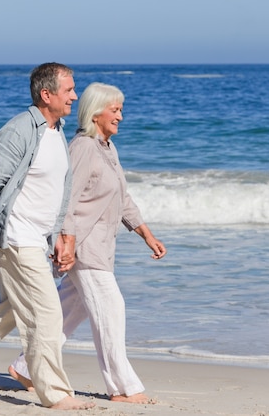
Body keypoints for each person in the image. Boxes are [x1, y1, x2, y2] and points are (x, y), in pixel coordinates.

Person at [0, 62, 95, 410]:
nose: (74, 95)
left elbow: (54, 191)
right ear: (47, 94)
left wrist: (56, 235)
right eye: (68, 90)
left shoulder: (57, 131)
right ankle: (55, 393)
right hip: (15, 237)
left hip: (36, 239)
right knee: (47, 315)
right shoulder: (19, 131)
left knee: (7, 311)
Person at [9, 82, 167, 404]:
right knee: (111, 309)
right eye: (115, 110)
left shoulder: (107, 148)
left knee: (70, 310)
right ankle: (123, 387)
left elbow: (123, 199)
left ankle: (26, 367)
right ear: (96, 114)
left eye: (121, 109)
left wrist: (147, 235)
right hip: (83, 247)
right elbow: (66, 199)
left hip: (101, 245)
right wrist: (65, 242)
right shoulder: (83, 147)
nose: (121, 116)